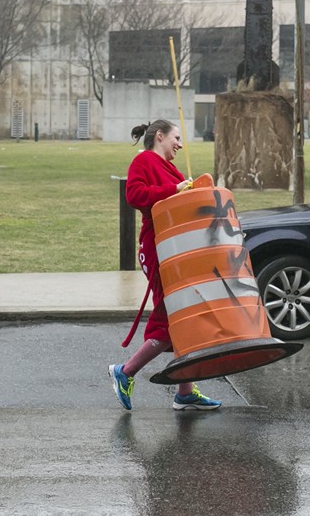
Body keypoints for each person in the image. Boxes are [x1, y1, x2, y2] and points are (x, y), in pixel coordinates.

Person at [109, 119, 222, 411]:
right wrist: (175, 189)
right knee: (169, 318)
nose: (180, 145)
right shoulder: (143, 161)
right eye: (177, 138)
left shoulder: (171, 169)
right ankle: (125, 371)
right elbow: (135, 196)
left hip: (177, 248)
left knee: (186, 315)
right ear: (160, 136)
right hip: (158, 249)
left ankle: (185, 392)